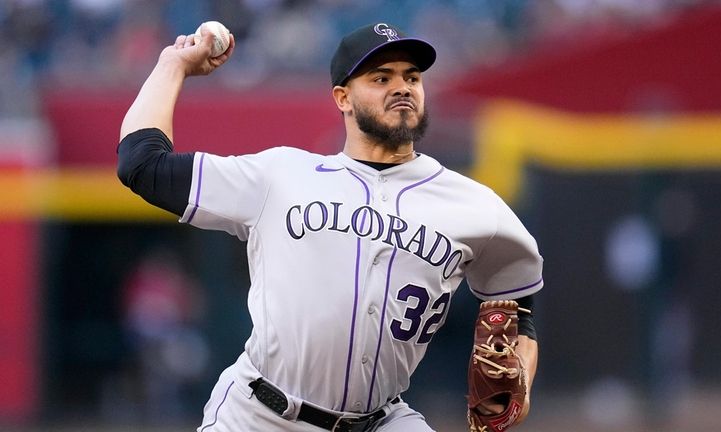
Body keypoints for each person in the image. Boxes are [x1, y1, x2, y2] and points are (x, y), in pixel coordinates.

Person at [117, 22, 543, 432]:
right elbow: (142, 165)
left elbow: (517, 303)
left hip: (383, 419)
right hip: (262, 415)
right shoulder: (279, 175)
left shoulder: (475, 206)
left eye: (412, 77)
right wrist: (172, 65)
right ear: (342, 97)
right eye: (380, 78)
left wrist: (519, 371)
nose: (402, 87)